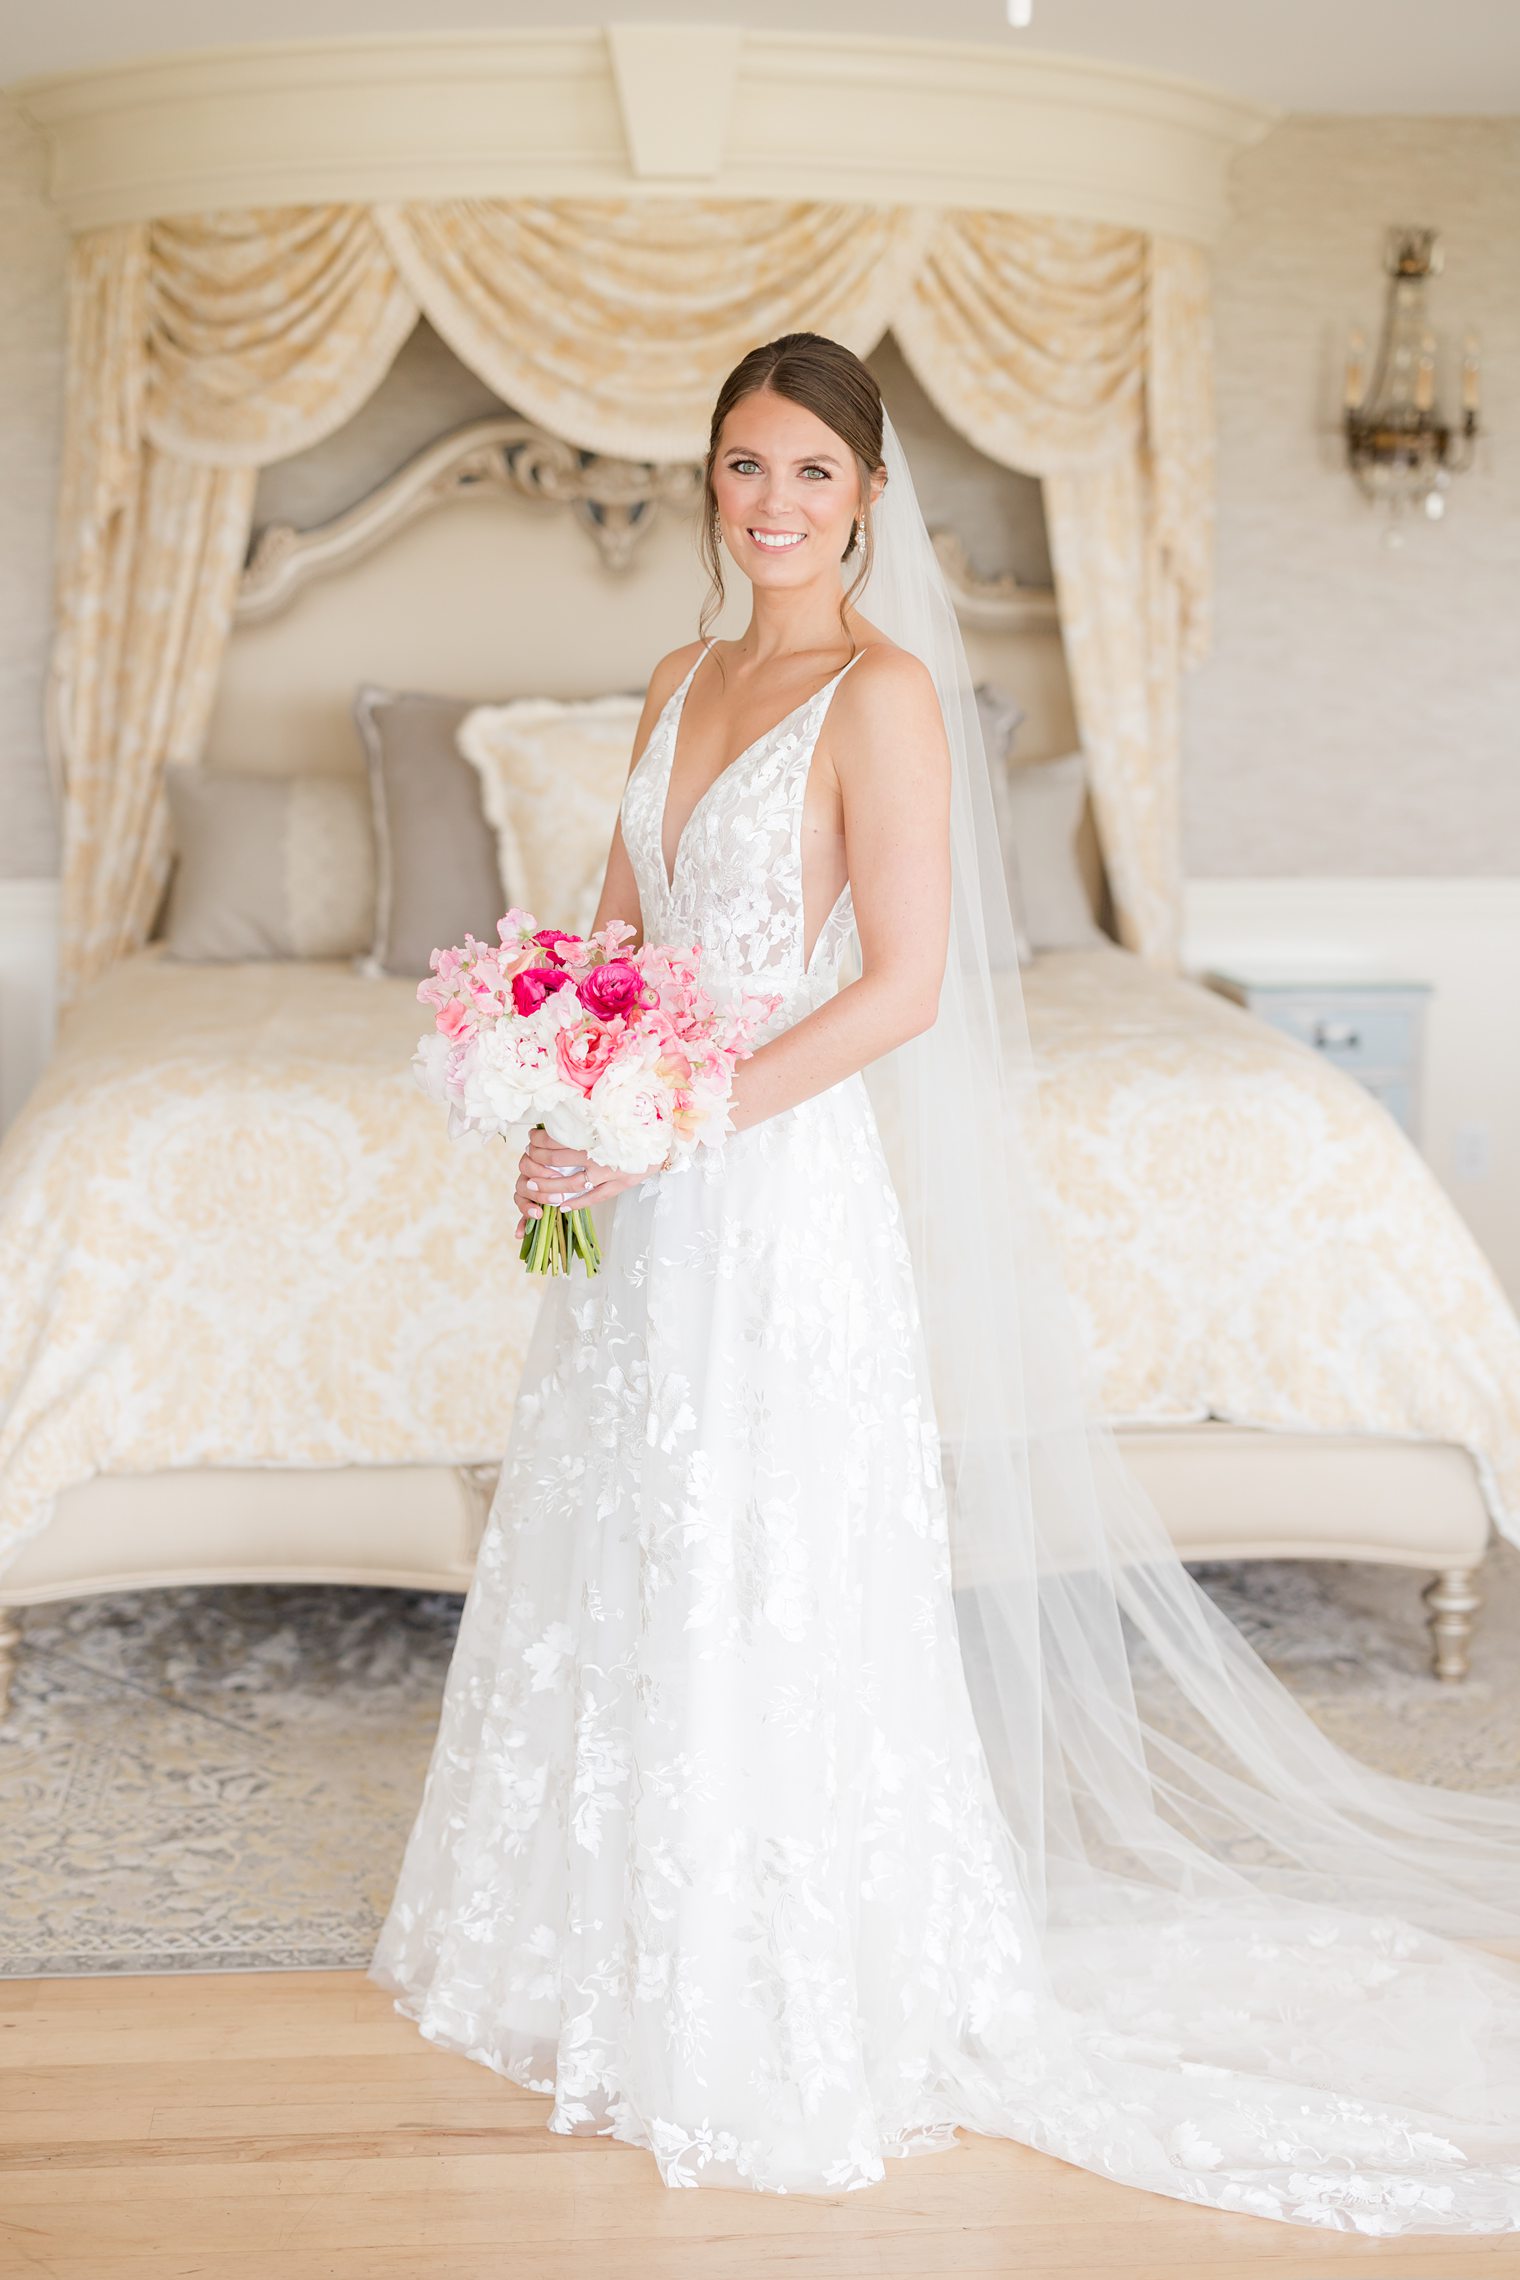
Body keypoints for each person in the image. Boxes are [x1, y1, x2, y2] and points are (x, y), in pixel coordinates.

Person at [371, 333, 1520, 2227]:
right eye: (744, 468)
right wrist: (554, 1091)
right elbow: (613, 939)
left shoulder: (885, 695)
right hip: (642, 1186)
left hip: (765, 1185)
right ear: (711, 482)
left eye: (813, 474)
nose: (774, 506)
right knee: (647, 1531)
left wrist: (666, 1118)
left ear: (870, 497)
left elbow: (896, 990)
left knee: (773, 1546)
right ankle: (626, 1939)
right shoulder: (676, 676)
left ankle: (795, 1971)